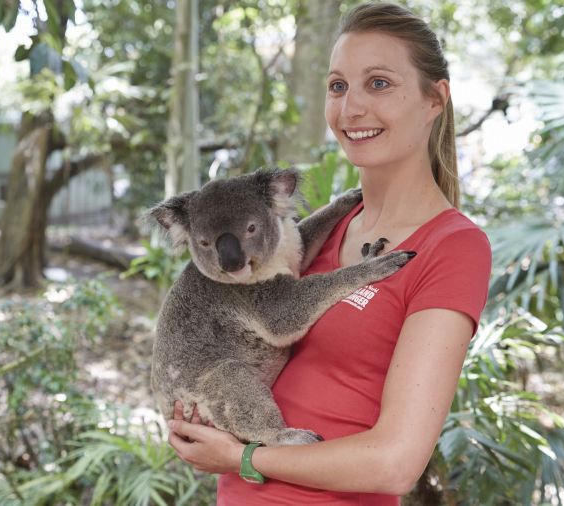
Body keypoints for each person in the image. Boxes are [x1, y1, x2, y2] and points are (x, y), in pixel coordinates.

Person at [166, 3, 492, 504]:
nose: (351, 107)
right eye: (338, 86)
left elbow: (395, 465)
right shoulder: (320, 229)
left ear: (435, 100)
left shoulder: (452, 246)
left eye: (378, 83)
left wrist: (243, 458)